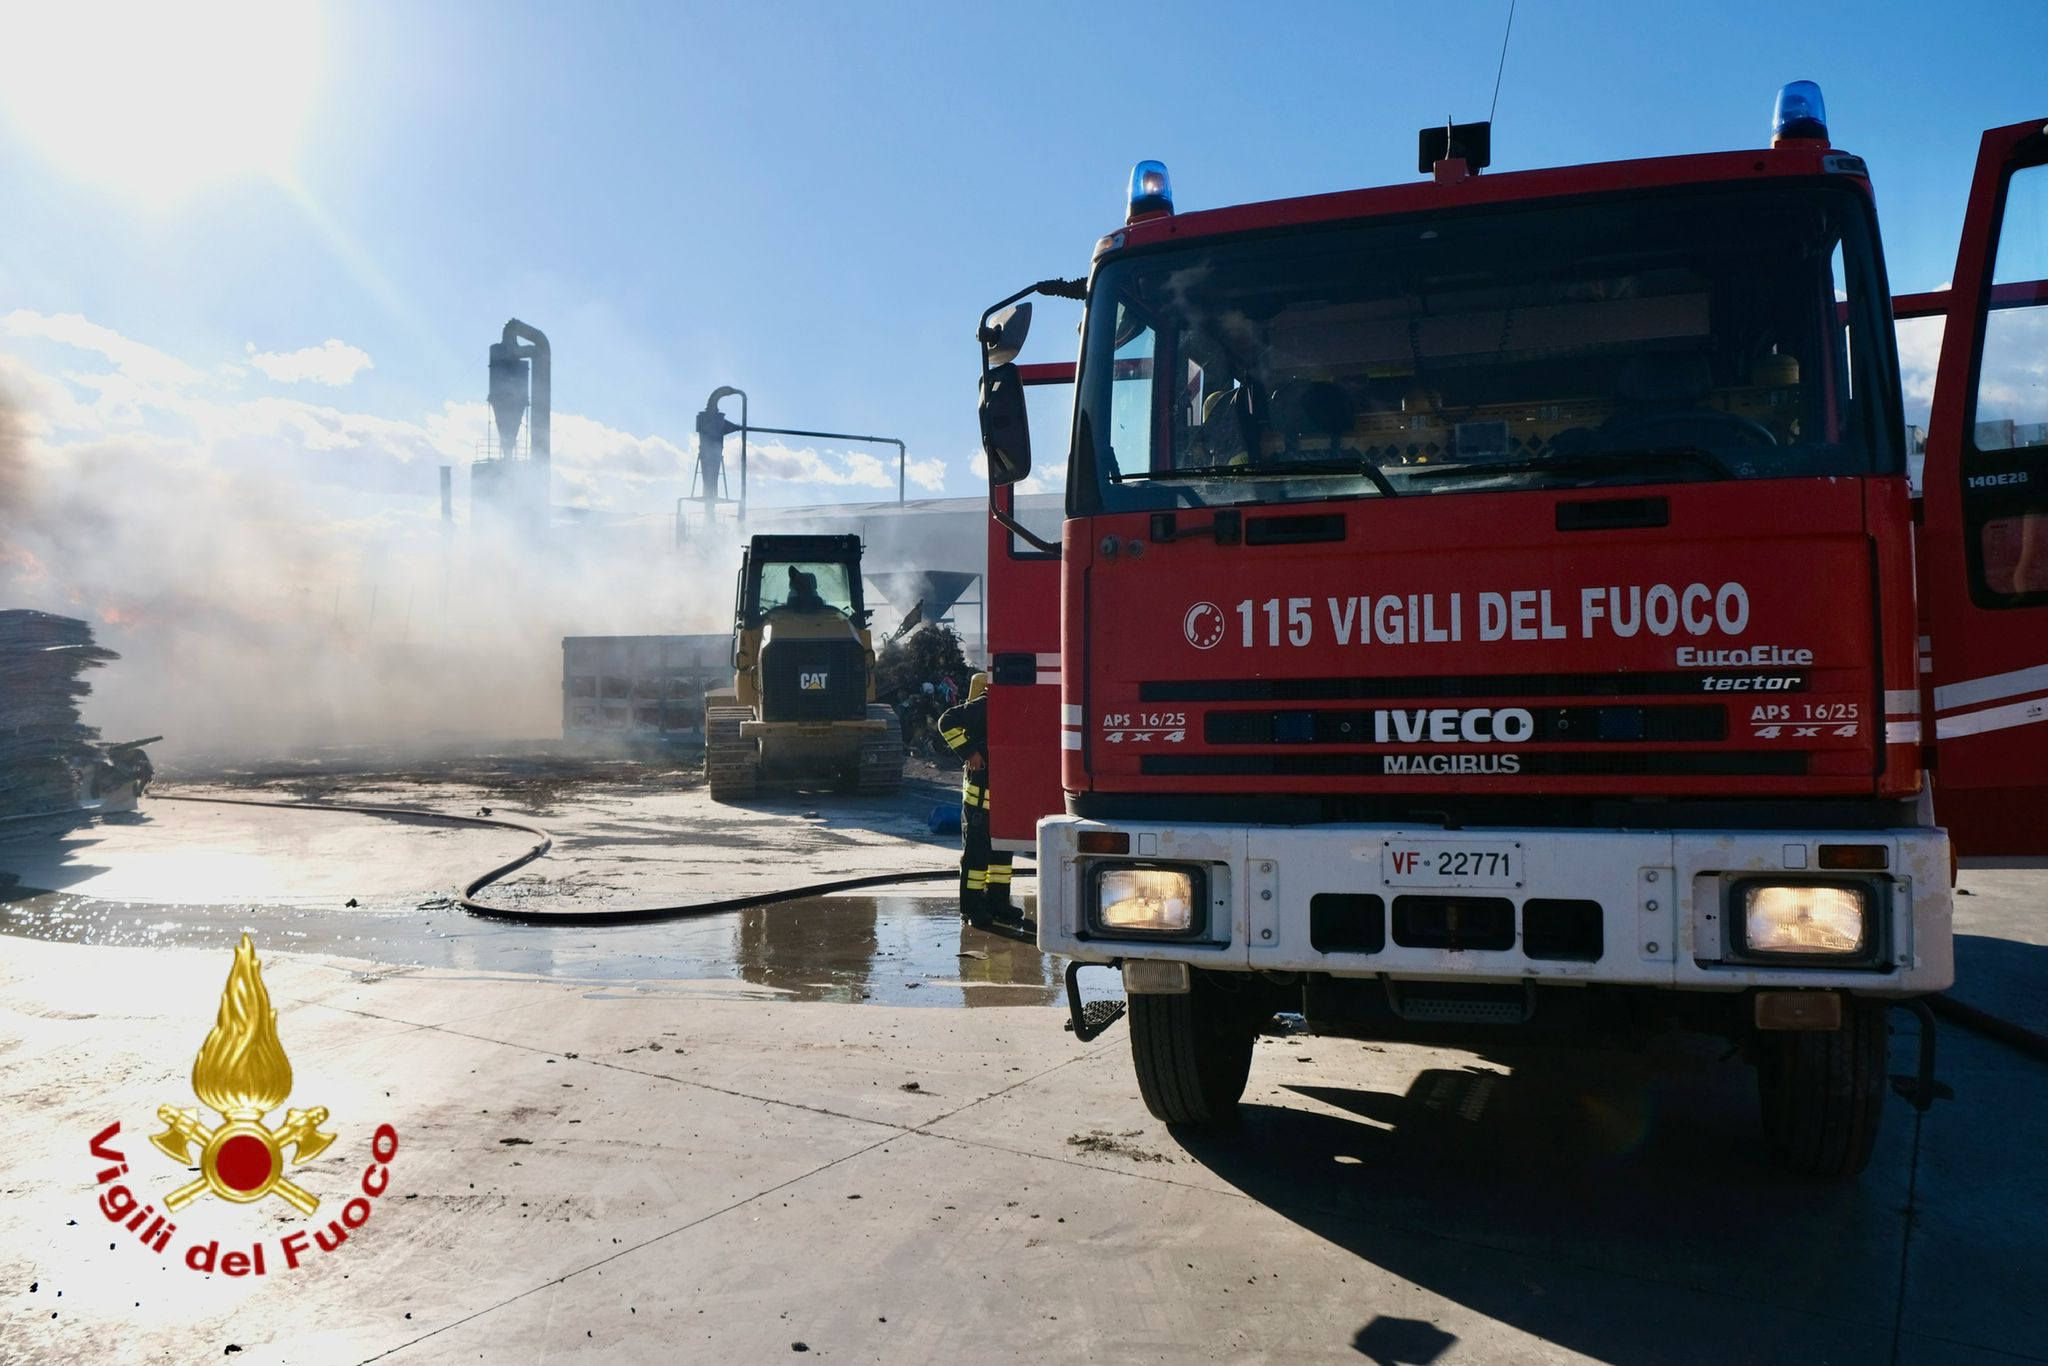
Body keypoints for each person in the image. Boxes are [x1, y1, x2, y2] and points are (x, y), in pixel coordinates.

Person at [938, 673, 1019, 927]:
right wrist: (969, 751)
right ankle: (972, 908)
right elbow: (946, 721)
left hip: (1005, 799)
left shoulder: (1014, 708)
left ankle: (998, 903)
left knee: (1002, 856)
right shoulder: (985, 705)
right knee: (976, 855)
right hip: (979, 801)